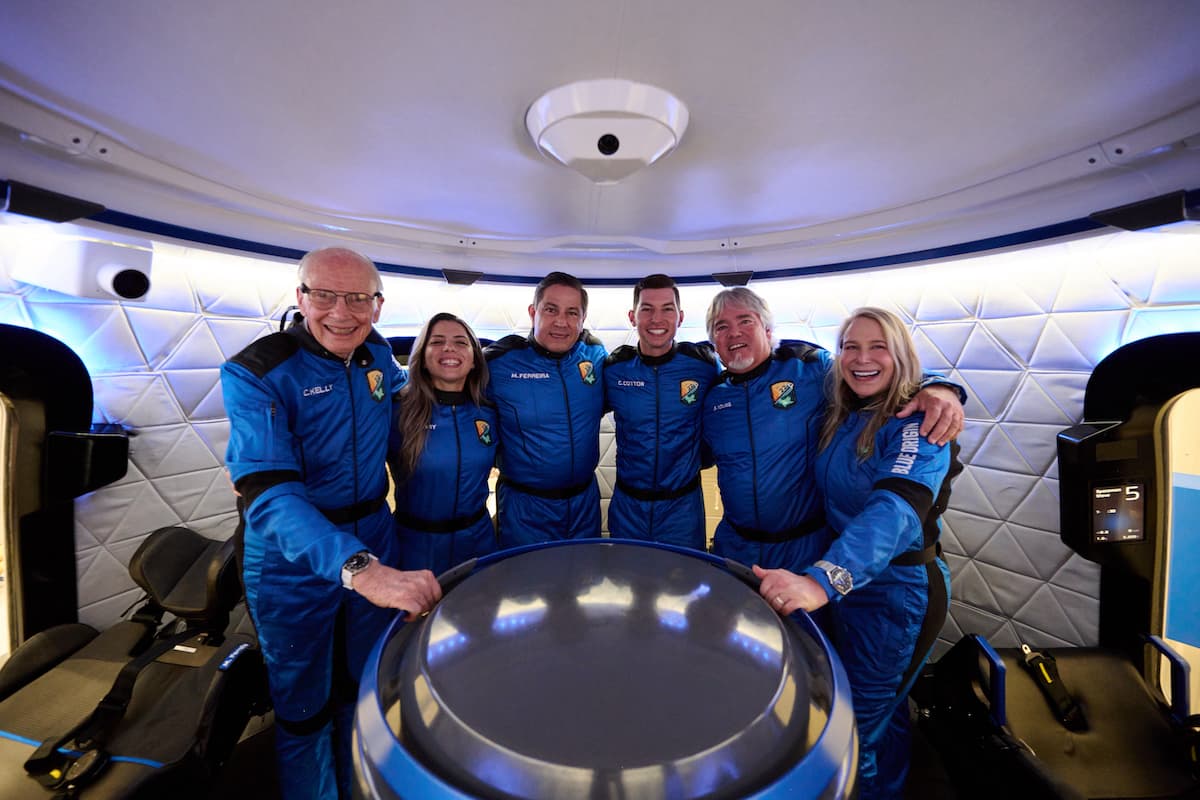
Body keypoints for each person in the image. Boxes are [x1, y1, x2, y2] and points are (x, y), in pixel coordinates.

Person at [221, 247, 441, 800]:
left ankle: (357, 786)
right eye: (324, 295)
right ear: (300, 298)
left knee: (360, 686)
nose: (341, 312)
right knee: (302, 707)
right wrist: (362, 570)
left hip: (373, 529)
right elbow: (267, 494)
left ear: (378, 304)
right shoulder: (258, 373)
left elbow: (405, 400)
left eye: (358, 298)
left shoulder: (374, 356)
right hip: (291, 559)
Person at [754, 306, 958, 800]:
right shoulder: (844, 409)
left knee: (855, 730)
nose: (862, 359)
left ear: (901, 354)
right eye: (851, 347)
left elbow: (893, 511)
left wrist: (821, 581)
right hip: (852, 586)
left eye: (878, 347)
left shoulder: (917, 424)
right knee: (878, 714)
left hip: (898, 595)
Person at [701, 287, 962, 574]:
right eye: (721, 327)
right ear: (714, 341)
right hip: (736, 547)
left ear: (767, 329)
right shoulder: (712, 396)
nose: (734, 332)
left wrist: (938, 387)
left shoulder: (811, 369)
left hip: (805, 549)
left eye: (745, 321)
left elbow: (872, 370)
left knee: (802, 620)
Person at [484, 271, 607, 545]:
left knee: (582, 582)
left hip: (584, 504)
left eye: (572, 313)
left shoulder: (595, 354)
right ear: (533, 312)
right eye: (551, 310)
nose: (561, 322)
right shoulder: (498, 362)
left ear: (583, 319)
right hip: (525, 509)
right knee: (526, 584)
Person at [603, 274, 719, 549]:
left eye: (667, 309)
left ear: (680, 317)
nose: (657, 319)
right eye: (647, 309)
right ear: (633, 316)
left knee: (683, 588)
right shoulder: (614, 368)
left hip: (682, 509)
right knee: (627, 583)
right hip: (628, 508)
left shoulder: (702, 366)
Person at [389, 312, 498, 576]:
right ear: (422, 357)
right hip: (415, 548)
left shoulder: (490, 412)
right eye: (437, 342)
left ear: (474, 359)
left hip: (479, 544)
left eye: (461, 342)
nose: (449, 348)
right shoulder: (396, 412)